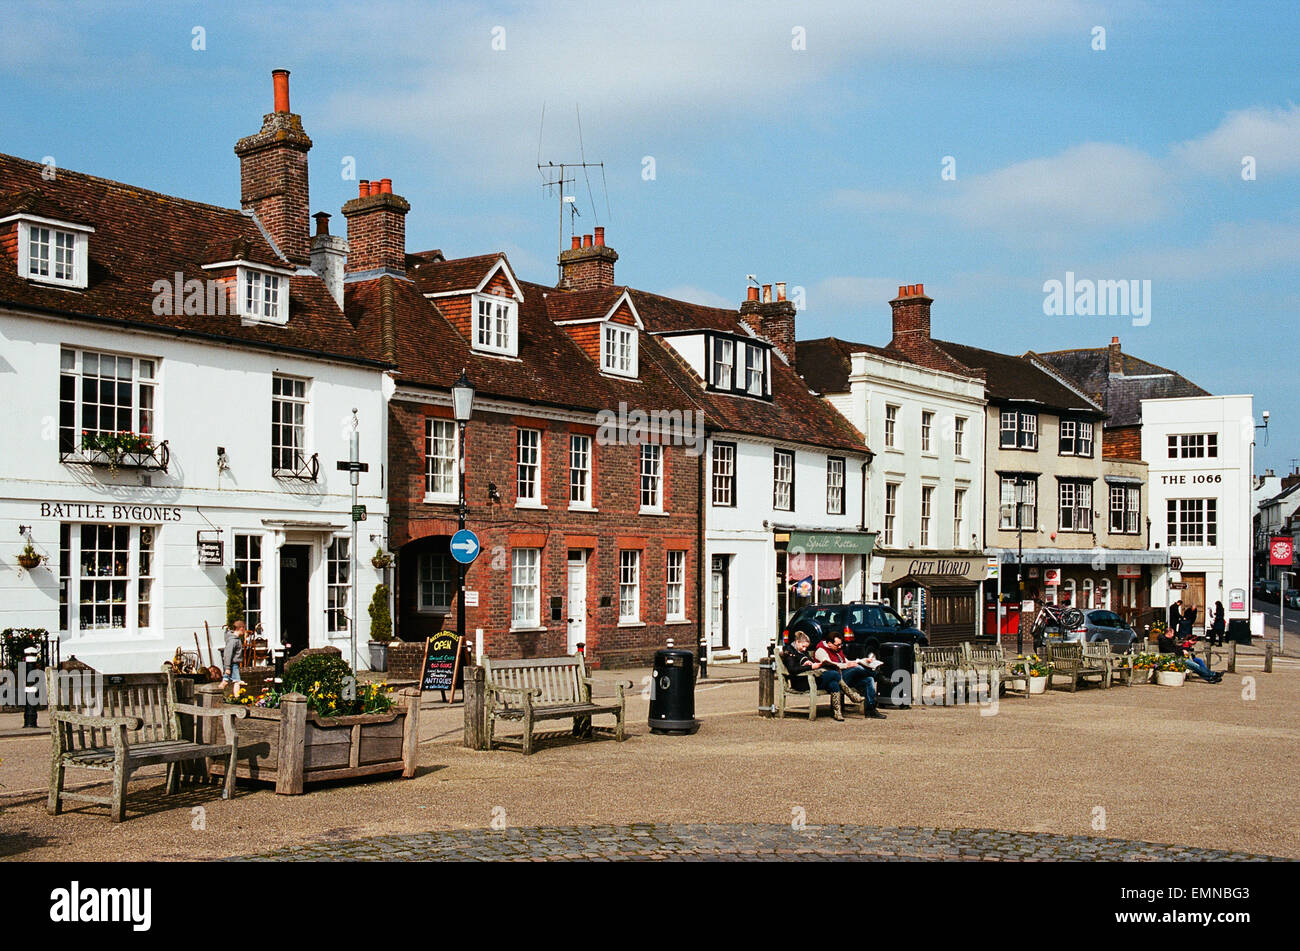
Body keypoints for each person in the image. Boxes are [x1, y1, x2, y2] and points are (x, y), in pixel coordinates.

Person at [815, 633, 887, 719]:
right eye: (837, 645)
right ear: (829, 643)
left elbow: (847, 661)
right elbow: (830, 664)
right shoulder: (820, 651)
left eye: (841, 644)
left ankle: (870, 710)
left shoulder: (837, 651)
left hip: (846, 677)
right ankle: (877, 675)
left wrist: (864, 660)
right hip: (835, 679)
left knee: (869, 679)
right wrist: (847, 666)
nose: (840, 647)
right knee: (857, 668)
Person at [781, 632, 846, 720]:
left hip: (812, 678)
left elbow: (810, 662)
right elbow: (792, 669)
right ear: (797, 642)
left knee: (833, 683)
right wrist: (810, 666)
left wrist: (811, 663)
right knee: (834, 674)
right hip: (801, 682)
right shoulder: (789, 651)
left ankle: (837, 712)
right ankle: (849, 692)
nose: (804, 649)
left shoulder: (803, 651)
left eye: (806, 647)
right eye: (803, 646)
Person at [223, 620, 246, 693]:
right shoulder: (233, 640)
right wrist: (227, 668)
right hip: (232, 664)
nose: (245, 631)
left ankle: (214, 694)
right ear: (241, 628)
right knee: (237, 681)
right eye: (244, 629)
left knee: (225, 681)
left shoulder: (236, 639)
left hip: (232, 664)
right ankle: (237, 698)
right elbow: (228, 654)